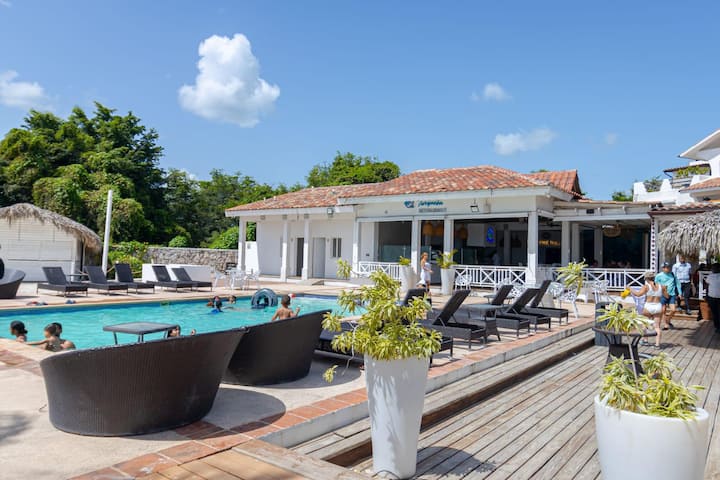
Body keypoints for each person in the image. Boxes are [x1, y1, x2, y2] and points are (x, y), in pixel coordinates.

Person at [627, 271, 669, 348]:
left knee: (645, 325)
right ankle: (657, 344)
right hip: (658, 306)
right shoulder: (661, 286)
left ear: (646, 279)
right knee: (657, 327)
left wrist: (630, 289)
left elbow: (638, 294)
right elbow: (667, 296)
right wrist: (664, 290)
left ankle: (645, 340)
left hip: (648, 306)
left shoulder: (646, 286)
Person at [655, 262, 678, 330]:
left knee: (673, 310)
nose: (668, 269)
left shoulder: (672, 275)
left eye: (669, 267)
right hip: (662, 294)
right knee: (663, 310)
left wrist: (679, 292)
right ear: (663, 268)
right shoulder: (658, 276)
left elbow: (677, 283)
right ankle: (665, 325)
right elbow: (656, 285)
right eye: (666, 267)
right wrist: (661, 288)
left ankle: (668, 319)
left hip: (672, 294)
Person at [705, 263, 720, 334]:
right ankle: (717, 327)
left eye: (714, 268)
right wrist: (706, 295)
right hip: (711, 298)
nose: (712, 269)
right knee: (714, 313)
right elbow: (707, 286)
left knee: (717, 313)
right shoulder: (710, 276)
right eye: (712, 268)